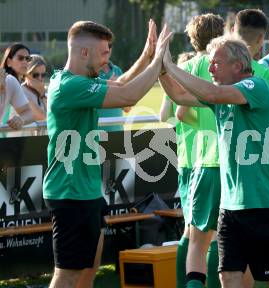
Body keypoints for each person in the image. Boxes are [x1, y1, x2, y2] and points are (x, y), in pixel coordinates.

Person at [160, 35, 269, 288]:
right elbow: (179, 96)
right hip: (230, 205)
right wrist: (160, 66)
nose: (211, 68)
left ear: (237, 66)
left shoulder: (255, 86)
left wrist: (172, 66)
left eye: (217, 63)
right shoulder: (222, 96)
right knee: (228, 274)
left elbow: (212, 94)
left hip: (262, 203)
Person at [42, 20, 172, 288]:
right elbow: (127, 96)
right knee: (67, 274)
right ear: (84, 53)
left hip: (86, 192)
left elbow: (120, 85)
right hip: (70, 193)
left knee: (88, 272)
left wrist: (147, 57)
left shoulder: (79, 82)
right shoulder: (68, 86)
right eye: (103, 54)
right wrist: (158, 61)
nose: (107, 62)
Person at [160, 13, 224, 288]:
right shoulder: (213, 66)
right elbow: (181, 110)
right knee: (209, 235)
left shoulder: (189, 65)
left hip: (193, 158)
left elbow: (169, 114)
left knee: (195, 232)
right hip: (210, 158)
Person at [0, 43, 33, 128]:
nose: (25, 62)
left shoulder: (10, 81)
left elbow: (29, 113)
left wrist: (21, 119)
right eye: (20, 58)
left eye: (28, 58)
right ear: (8, 62)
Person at [97, 44, 125, 132]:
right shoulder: (89, 72)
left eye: (109, 46)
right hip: (96, 135)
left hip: (118, 132)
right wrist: (109, 87)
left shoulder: (117, 70)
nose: (106, 50)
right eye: (102, 46)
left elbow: (126, 107)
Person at [22, 54, 48, 120]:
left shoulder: (43, 91)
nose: (40, 78)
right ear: (26, 74)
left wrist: (43, 96)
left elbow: (53, 115)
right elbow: (43, 117)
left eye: (43, 75)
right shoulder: (21, 91)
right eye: (35, 75)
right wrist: (42, 94)